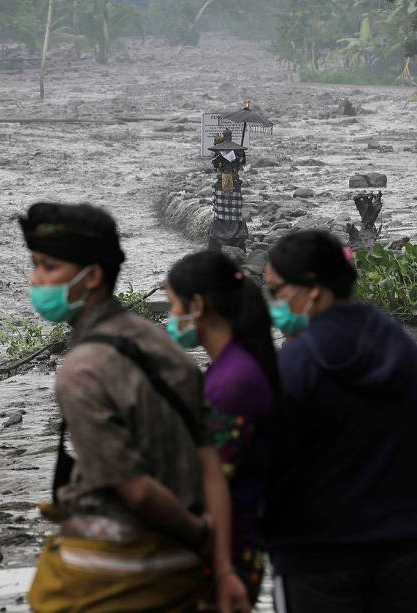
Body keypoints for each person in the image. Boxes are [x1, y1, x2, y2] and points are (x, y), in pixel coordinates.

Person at [21, 201, 249, 613]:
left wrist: (199, 533)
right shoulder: (156, 340)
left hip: (111, 576)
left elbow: (137, 490)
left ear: (90, 278)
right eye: (35, 265)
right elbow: (208, 459)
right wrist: (222, 564)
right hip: (183, 570)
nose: (36, 280)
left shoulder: (81, 371)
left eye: (48, 268)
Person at [264, 230, 417, 612]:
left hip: (317, 557)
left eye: (277, 291)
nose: (274, 305)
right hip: (404, 548)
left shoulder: (295, 364)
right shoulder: (400, 346)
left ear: (312, 288)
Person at [166, 251, 279, 609]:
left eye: (172, 306)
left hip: (226, 548)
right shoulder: (231, 369)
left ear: (196, 305)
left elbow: (211, 475)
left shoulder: (233, 382)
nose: (170, 318)